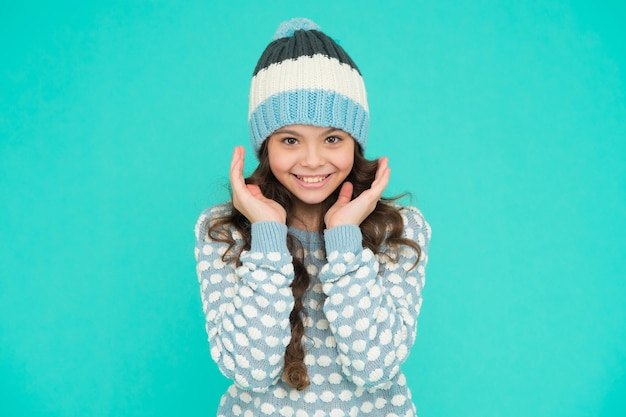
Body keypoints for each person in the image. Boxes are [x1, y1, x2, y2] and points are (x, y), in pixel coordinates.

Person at [194, 17, 431, 417]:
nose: (312, 160)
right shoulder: (225, 232)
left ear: (355, 142)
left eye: (332, 138)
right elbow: (249, 371)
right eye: (290, 140)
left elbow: (376, 368)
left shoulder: (399, 230)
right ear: (264, 146)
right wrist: (268, 237)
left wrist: (345, 241)